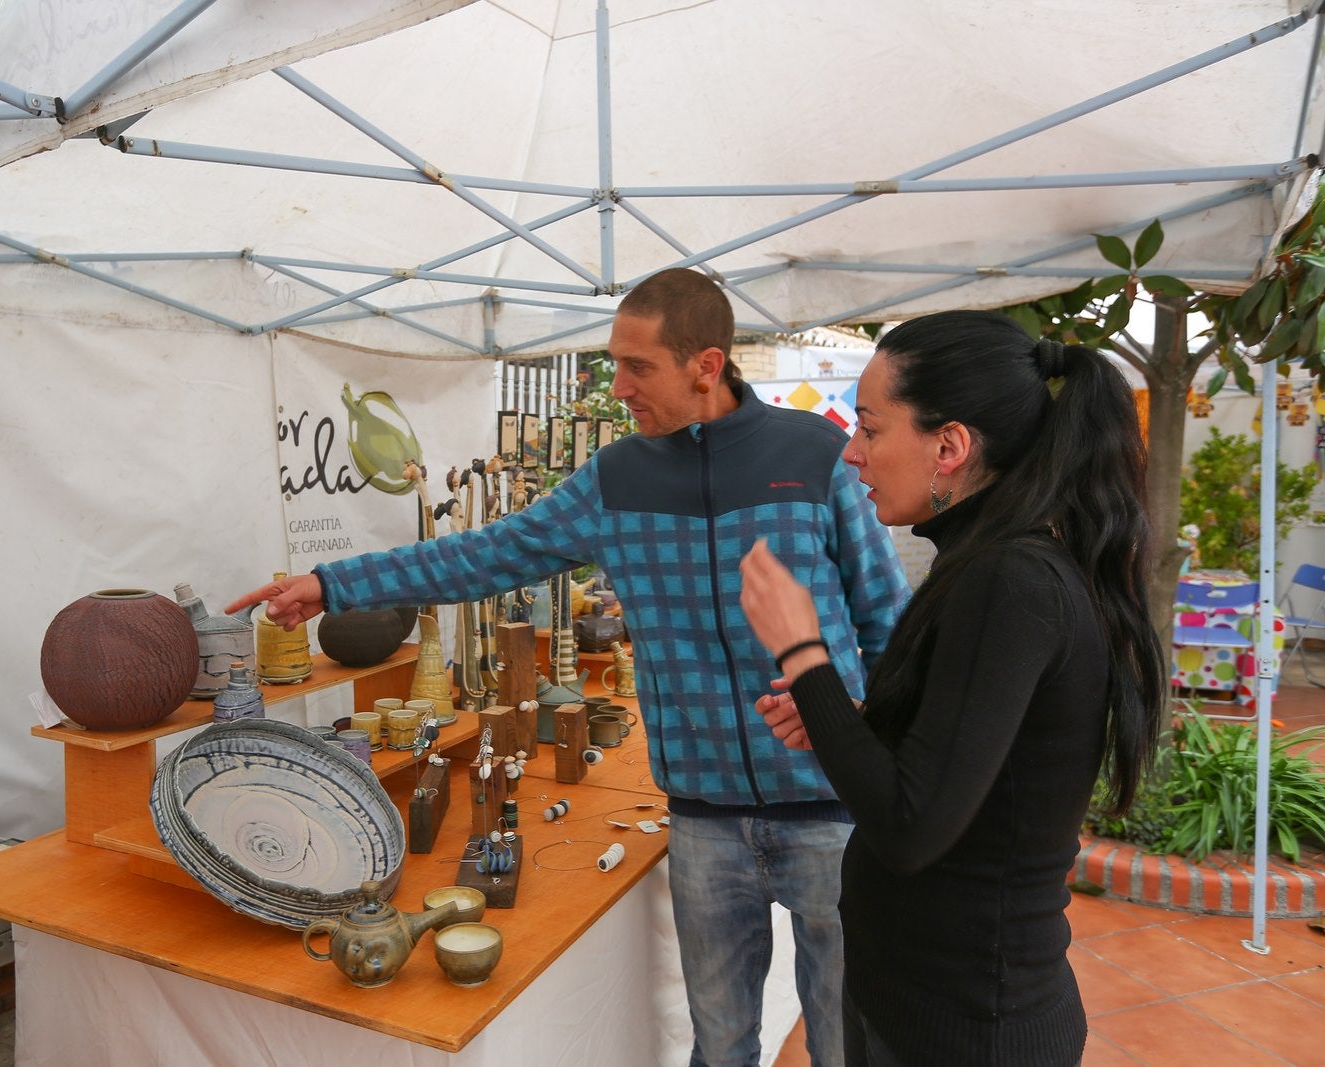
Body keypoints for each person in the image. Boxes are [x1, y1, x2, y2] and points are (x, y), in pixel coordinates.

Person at [229, 267, 909, 1066]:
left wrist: (868, 727)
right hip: (703, 820)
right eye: (614, 362)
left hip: (832, 807)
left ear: (707, 364)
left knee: (848, 1044)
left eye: (637, 366)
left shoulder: (818, 456)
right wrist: (331, 584)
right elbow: (483, 555)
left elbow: (889, 620)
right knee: (721, 1047)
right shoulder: (614, 482)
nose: (617, 385)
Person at [736, 310, 1164, 1066]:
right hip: (916, 1000)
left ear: (950, 445)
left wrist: (803, 650)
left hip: (966, 1027)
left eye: (870, 428)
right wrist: (844, 719)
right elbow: (970, 768)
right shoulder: (987, 563)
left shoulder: (1011, 579)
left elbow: (910, 823)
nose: (853, 451)